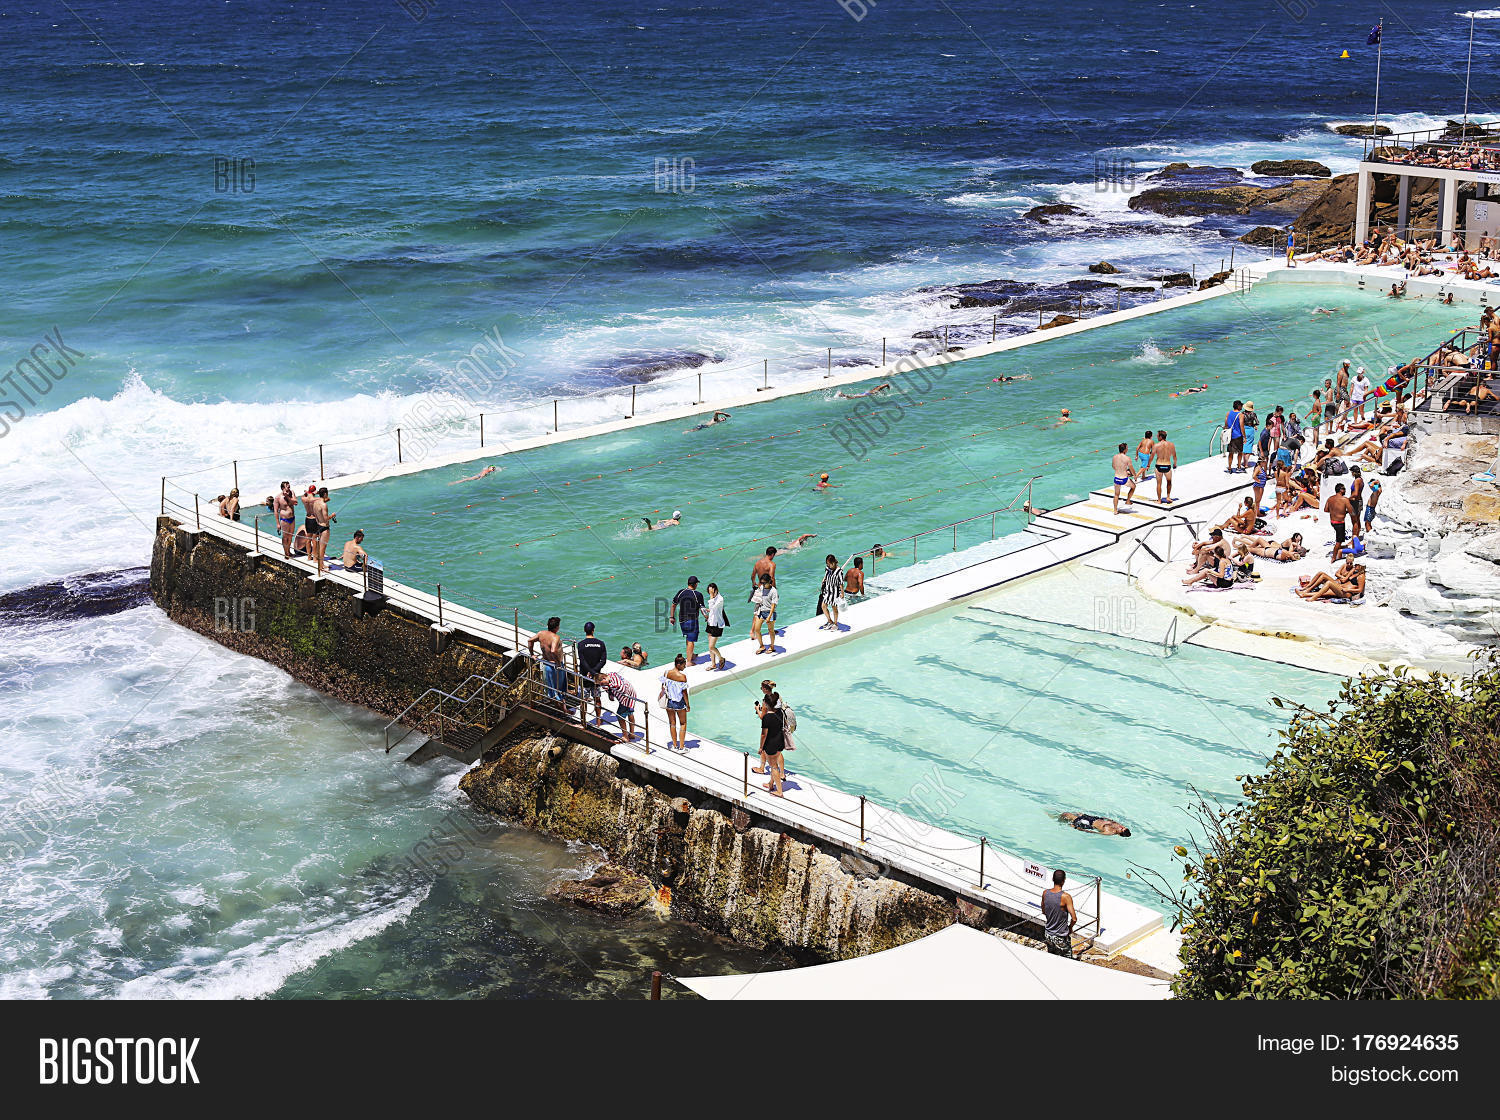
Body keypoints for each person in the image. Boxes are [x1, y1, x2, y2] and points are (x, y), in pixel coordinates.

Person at [528, 617, 569, 710]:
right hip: (555, 666)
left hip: (546, 664)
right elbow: (553, 650)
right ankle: (564, 710)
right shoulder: (555, 637)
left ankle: (556, 705)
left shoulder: (541, 634)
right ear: (557, 627)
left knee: (551, 688)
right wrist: (558, 662)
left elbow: (530, 641)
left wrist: (532, 654)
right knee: (560, 688)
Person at [576, 622, 608, 725]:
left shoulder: (581, 644)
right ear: (593, 630)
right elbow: (603, 661)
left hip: (584, 676)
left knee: (583, 700)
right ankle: (598, 720)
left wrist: (590, 671)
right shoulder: (601, 643)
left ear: (584, 630)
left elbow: (582, 661)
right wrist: (594, 672)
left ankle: (583, 721)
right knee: (597, 698)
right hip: (596, 677)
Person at [757, 689, 787, 797]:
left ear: (766, 703)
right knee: (774, 763)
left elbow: (763, 735)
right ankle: (771, 784)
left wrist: (761, 747)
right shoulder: (780, 713)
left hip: (771, 744)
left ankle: (779, 792)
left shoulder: (767, 718)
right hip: (780, 741)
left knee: (773, 766)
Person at [670, 575, 705, 665]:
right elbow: (702, 609)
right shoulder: (698, 594)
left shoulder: (681, 592)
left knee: (688, 638)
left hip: (682, 621)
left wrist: (672, 617)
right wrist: (707, 617)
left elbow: (673, 604)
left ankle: (691, 655)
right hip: (692, 620)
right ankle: (689, 661)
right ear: (696, 584)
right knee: (691, 640)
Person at [1041, 869, 1076, 958]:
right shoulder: (1066, 897)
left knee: (1052, 957)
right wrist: (1070, 928)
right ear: (1064, 881)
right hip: (1060, 936)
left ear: (1053, 879)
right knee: (1068, 958)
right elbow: (1074, 919)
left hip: (1048, 933)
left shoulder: (1045, 893)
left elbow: (1044, 911)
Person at [595, 669, 637, 742]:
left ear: (604, 678)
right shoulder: (610, 676)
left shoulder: (614, 681)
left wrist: (610, 687)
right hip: (631, 694)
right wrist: (610, 693)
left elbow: (623, 689)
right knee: (630, 713)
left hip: (627, 697)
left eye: (601, 683)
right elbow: (609, 689)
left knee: (620, 716)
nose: (602, 685)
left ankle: (625, 736)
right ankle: (632, 734)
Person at [659, 654, 690, 751]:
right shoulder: (682, 677)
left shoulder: (666, 673)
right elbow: (684, 693)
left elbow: (662, 687)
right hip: (679, 703)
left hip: (669, 702)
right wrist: (688, 705)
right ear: (678, 664)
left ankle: (674, 745)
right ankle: (681, 747)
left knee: (672, 723)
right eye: (684, 665)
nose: (685, 667)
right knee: (683, 723)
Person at [1324, 483, 1354, 562]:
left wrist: (1335, 511)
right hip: (1340, 523)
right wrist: (1345, 512)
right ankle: (1334, 557)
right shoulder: (1345, 499)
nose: (1345, 490)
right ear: (1340, 490)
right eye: (1344, 489)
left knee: (1340, 539)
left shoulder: (1330, 498)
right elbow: (1351, 511)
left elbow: (1326, 510)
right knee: (1339, 541)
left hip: (1332, 522)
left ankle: (1338, 549)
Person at [751, 573, 778, 654]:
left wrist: (769, 616)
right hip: (761, 611)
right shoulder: (762, 587)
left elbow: (773, 605)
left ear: (769, 581)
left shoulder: (773, 591)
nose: (762, 584)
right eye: (761, 583)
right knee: (757, 629)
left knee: (771, 630)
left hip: (770, 612)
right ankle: (762, 646)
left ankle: (772, 646)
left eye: (764, 583)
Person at [703, 582, 727, 670]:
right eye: (709, 592)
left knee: (711, 646)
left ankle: (721, 659)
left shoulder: (720, 599)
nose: (711, 593)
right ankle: (713, 664)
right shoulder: (713, 599)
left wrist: (711, 596)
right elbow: (712, 610)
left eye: (712, 591)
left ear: (716, 590)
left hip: (717, 625)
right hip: (710, 623)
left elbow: (712, 606)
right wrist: (706, 611)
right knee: (710, 645)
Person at [818, 554, 845, 630]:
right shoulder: (827, 568)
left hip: (835, 592)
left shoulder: (839, 571)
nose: (828, 565)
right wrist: (824, 579)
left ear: (833, 563)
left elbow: (841, 583)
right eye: (827, 564)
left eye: (829, 564)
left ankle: (835, 623)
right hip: (827, 590)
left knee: (834, 608)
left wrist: (842, 593)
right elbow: (826, 574)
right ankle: (830, 621)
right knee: (823, 606)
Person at [1111, 442, 1136, 515]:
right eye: (1127, 448)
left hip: (1116, 478)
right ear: (1125, 450)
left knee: (1116, 495)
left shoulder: (1114, 457)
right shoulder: (1127, 458)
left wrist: (1120, 470)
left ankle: (1115, 510)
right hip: (1124, 479)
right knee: (1133, 487)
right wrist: (1135, 476)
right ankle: (1128, 500)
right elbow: (1132, 469)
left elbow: (1113, 466)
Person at [1059, 812, 1132, 837]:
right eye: (1124, 827)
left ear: (1120, 833)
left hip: (1088, 823)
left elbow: (1092, 832)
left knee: (1066, 814)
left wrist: (1076, 828)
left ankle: (1059, 821)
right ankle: (1060, 819)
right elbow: (1107, 819)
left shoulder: (1109, 832)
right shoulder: (1118, 825)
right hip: (1093, 818)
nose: (1121, 826)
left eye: (1122, 829)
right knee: (1074, 813)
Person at [274, 482, 297, 558]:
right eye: (287, 486)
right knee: (285, 537)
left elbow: (295, 502)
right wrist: (278, 523)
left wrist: (287, 497)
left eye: (289, 486)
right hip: (284, 519)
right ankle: (286, 553)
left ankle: (289, 551)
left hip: (292, 518)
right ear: (283, 488)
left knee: (290, 536)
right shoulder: (278, 497)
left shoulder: (292, 493)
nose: (289, 488)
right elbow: (276, 511)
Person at [1153, 429, 1177, 503]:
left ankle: (1159, 500)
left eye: (1157, 436)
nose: (1157, 437)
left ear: (1160, 436)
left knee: (1159, 483)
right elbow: (1174, 456)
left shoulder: (1156, 445)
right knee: (1169, 482)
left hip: (1159, 466)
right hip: (1167, 466)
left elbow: (1151, 456)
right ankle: (1168, 497)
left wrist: (1148, 465)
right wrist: (1175, 464)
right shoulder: (1171, 444)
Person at [1223, 399, 1244, 473]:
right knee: (1240, 452)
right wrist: (1244, 436)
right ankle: (1238, 467)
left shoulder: (1228, 413)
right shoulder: (1240, 415)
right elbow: (1241, 426)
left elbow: (1226, 424)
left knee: (1231, 453)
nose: (1242, 406)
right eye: (1241, 405)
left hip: (1230, 435)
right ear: (1238, 406)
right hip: (1238, 436)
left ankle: (1229, 467)